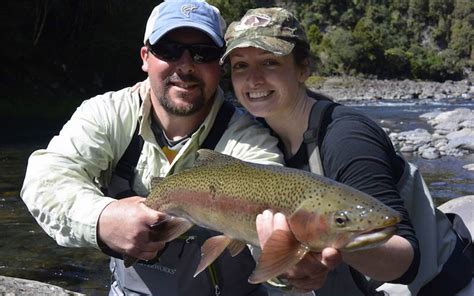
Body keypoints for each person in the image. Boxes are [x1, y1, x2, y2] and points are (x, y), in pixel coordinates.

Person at [20, 1, 285, 295]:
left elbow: (273, 194)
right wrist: (102, 219)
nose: (185, 66)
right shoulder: (108, 114)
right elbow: (46, 178)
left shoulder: (248, 138)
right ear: (145, 57)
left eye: (203, 53)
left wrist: (287, 261)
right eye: (169, 50)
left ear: (219, 65)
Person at [221, 7, 473, 296]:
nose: (253, 79)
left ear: (303, 68)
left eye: (269, 63)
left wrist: (323, 235)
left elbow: (406, 258)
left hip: (436, 285)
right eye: (240, 65)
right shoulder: (257, 137)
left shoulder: (347, 138)